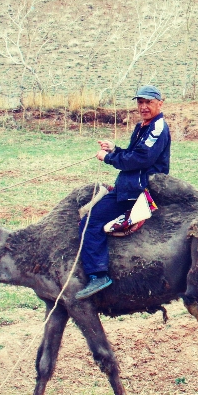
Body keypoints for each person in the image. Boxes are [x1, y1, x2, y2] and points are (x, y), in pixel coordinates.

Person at [76, 85, 171, 300]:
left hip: (138, 190)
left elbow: (141, 159)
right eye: (140, 102)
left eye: (148, 102)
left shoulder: (156, 129)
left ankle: (98, 274)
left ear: (160, 104)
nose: (144, 107)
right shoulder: (144, 126)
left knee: (90, 221)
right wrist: (115, 149)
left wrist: (108, 158)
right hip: (129, 186)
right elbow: (134, 154)